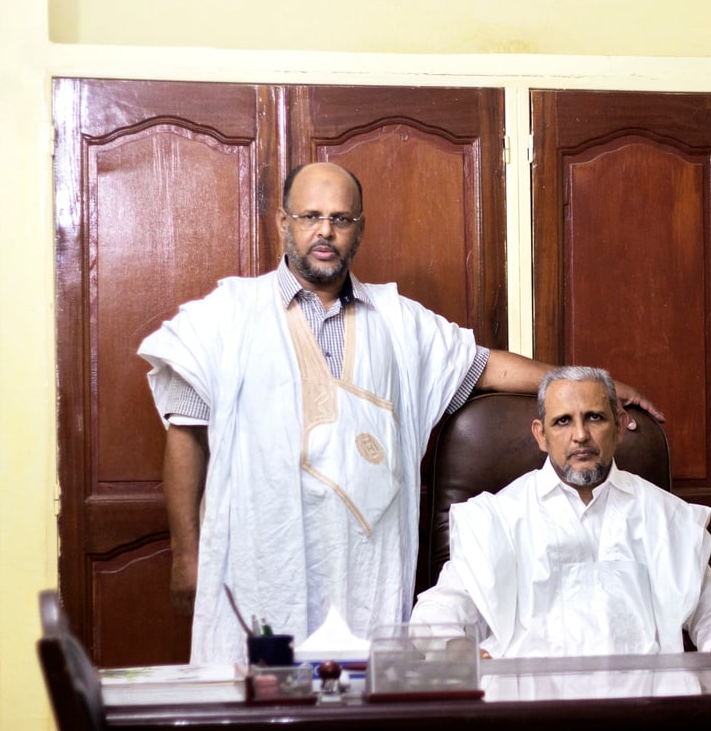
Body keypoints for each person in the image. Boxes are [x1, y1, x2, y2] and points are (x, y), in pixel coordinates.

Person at [138, 163, 662, 664]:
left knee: (360, 723)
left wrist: (590, 383)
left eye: (340, 219)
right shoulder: (226, 316)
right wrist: (187, 553)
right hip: (257, 563)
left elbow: (488, 368)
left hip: (363, 570)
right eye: (310, 217)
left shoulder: (399, 323)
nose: (325, 231)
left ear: (358, 230)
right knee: (256, 718)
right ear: (283, 223)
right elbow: (185, 433)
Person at [411, 366, 711, 657]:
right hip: (532, 714)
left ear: (619, 426)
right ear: (541, 435)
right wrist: (457, 651)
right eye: (562, 422)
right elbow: (437, 615)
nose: (580, 435)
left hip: (644, 713)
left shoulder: (663, 514)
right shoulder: (498, 518)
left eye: (594, 417)